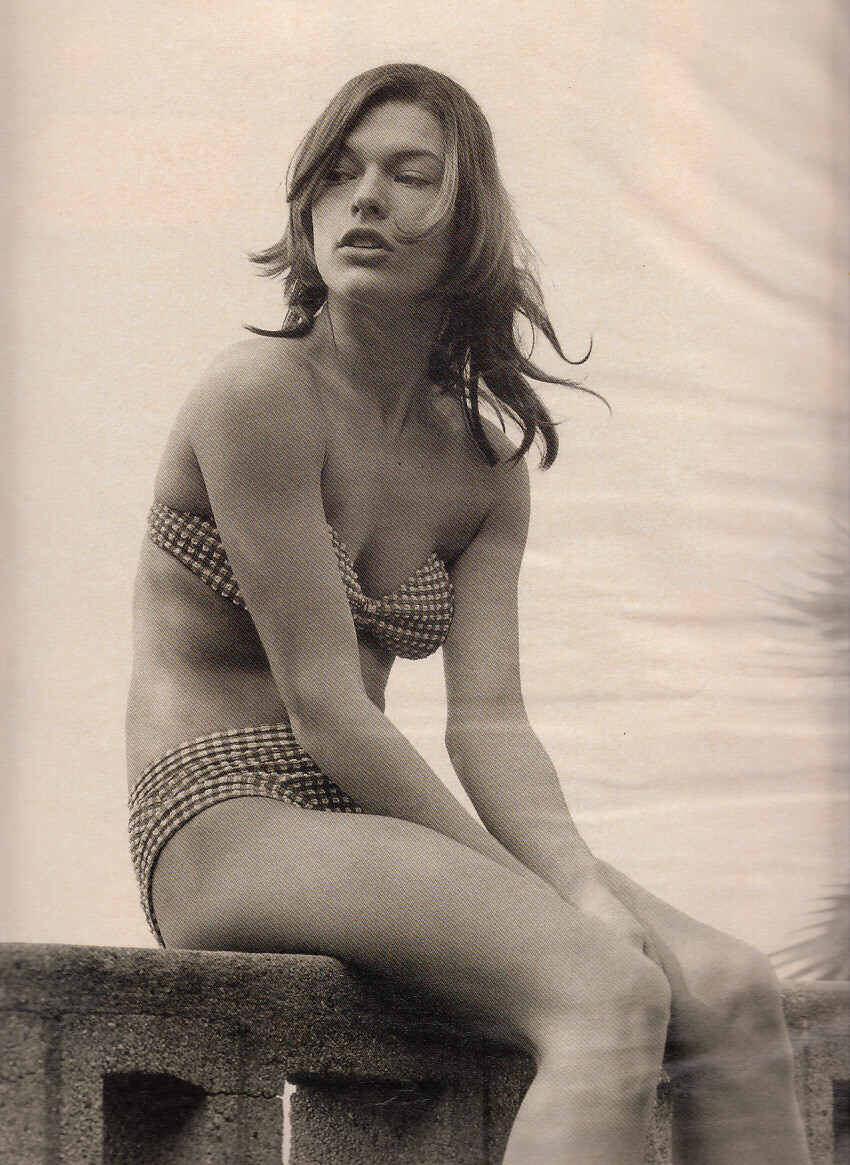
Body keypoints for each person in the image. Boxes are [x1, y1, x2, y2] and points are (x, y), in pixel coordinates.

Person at [126, 63, 810, 1165]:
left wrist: (574, 879)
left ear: (470, 224)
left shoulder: (483, 461)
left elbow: (490, 724)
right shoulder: (258, 394)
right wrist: (542, 897)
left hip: (375, 824)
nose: (365, 198)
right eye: (340, 172)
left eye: (410, 176)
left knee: (731, 989)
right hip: (226, 817)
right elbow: (328, 714)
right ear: (305, 206)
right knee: (607, 991)